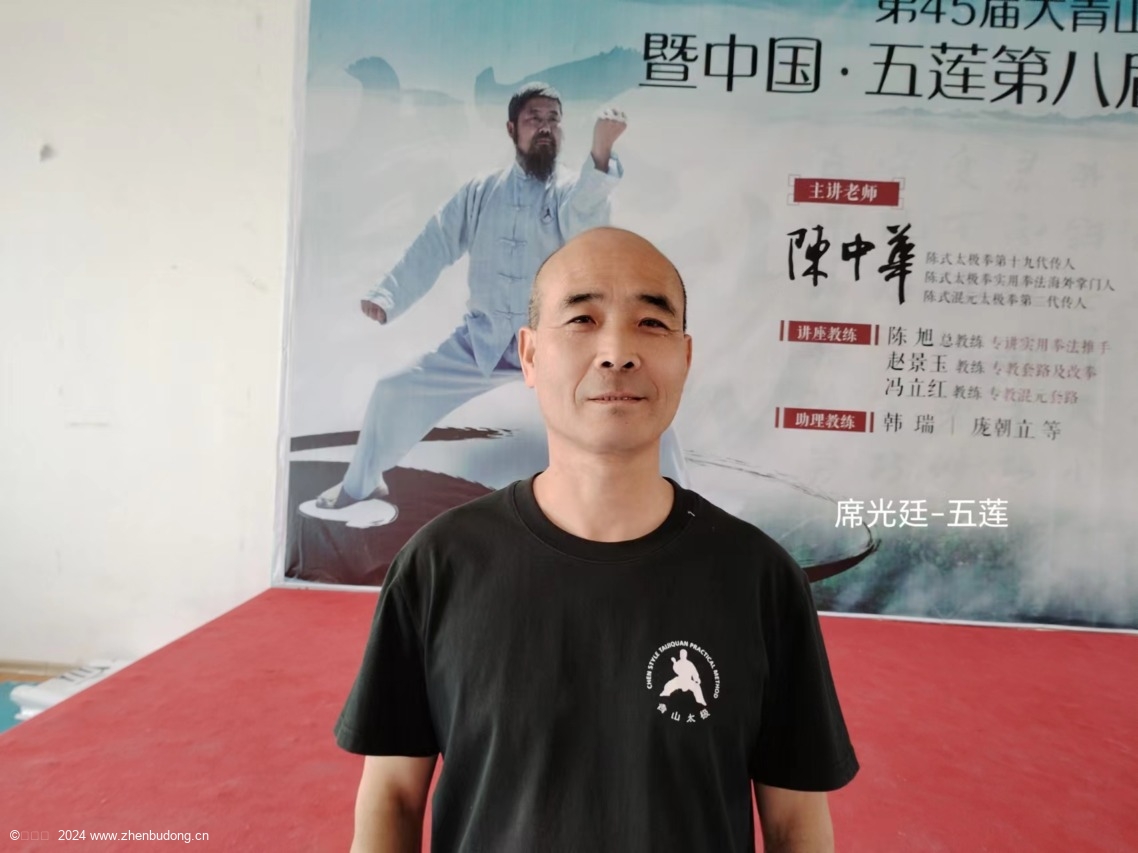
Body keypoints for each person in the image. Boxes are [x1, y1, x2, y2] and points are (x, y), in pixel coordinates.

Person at [334, 227, 859, 852]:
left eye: (651, 323)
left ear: (685, 357)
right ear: (529, 355)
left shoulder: (760, 580)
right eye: (582, 318)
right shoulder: (439, 566)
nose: (617, 352)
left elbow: (795, 823)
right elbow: (393, 796)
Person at [316, 82, 687, 513]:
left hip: (556, 342)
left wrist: (601, 152)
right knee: (393, 391)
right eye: (534, 119)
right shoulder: (481, 191)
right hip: (483, 338)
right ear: (512, 129)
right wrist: (388, 295)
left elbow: (588, 227)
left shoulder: (569, 191)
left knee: (638, 404)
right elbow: (436, 242)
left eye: (553, 120)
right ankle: (361, 484)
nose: (545, 127)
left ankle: (683, 500)